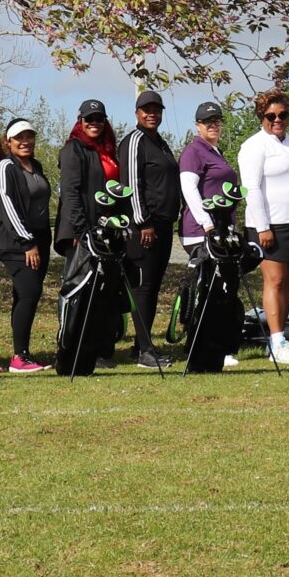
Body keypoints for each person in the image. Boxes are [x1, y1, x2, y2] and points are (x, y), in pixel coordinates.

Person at [238, 89, 289, 366]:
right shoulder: (254, 146)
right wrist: (263, 227)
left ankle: (279, 339)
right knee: (275, 281)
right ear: (261, 117)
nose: (277, 120)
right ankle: (276, 340)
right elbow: (252, 189)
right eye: (271, 115)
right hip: (270, 224)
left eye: (283, 115)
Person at [56, 98, 124, 357]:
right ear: (80, 121)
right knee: (78, 289)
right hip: (82, 232)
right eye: (89, 119)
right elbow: (71, 192)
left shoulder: (106, 150)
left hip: (106, 230)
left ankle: (99, 347)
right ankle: (70, 346)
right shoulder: (74, 149)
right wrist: (80, 230)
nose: (94, 123)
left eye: (99, 119)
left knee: (103, 291)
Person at [121, 91, 183, 369]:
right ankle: (146, 351)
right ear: (137, 113)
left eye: (156, 109)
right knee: (143, 287)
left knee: (154, 286)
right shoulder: (134, 141)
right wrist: (142, 221)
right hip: (143, 227)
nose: (151, 114)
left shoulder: (161, 143)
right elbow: (131, 184)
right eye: (146, 110)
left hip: (163, 225)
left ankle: (140, 346)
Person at [0, 118, 54, 372]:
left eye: (29, 136)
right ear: (8, 142)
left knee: (27, 294)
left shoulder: (35, 166)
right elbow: (7, 205)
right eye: (19, 138)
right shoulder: (5, 166)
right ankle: (20, 357)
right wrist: (27, 242)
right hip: (17, 241)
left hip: (39, 238)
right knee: (29, 292)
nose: (25, 142)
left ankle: (22, 354)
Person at [177, 101, 240, 258]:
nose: (213, 125)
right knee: (210, 279)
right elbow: (188, 188)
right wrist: (207, 224)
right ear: (198, 125)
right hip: (201, 232)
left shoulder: (216, 152)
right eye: (207, 121)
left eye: (216, 121)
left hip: (220, 228)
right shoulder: (193, 151)